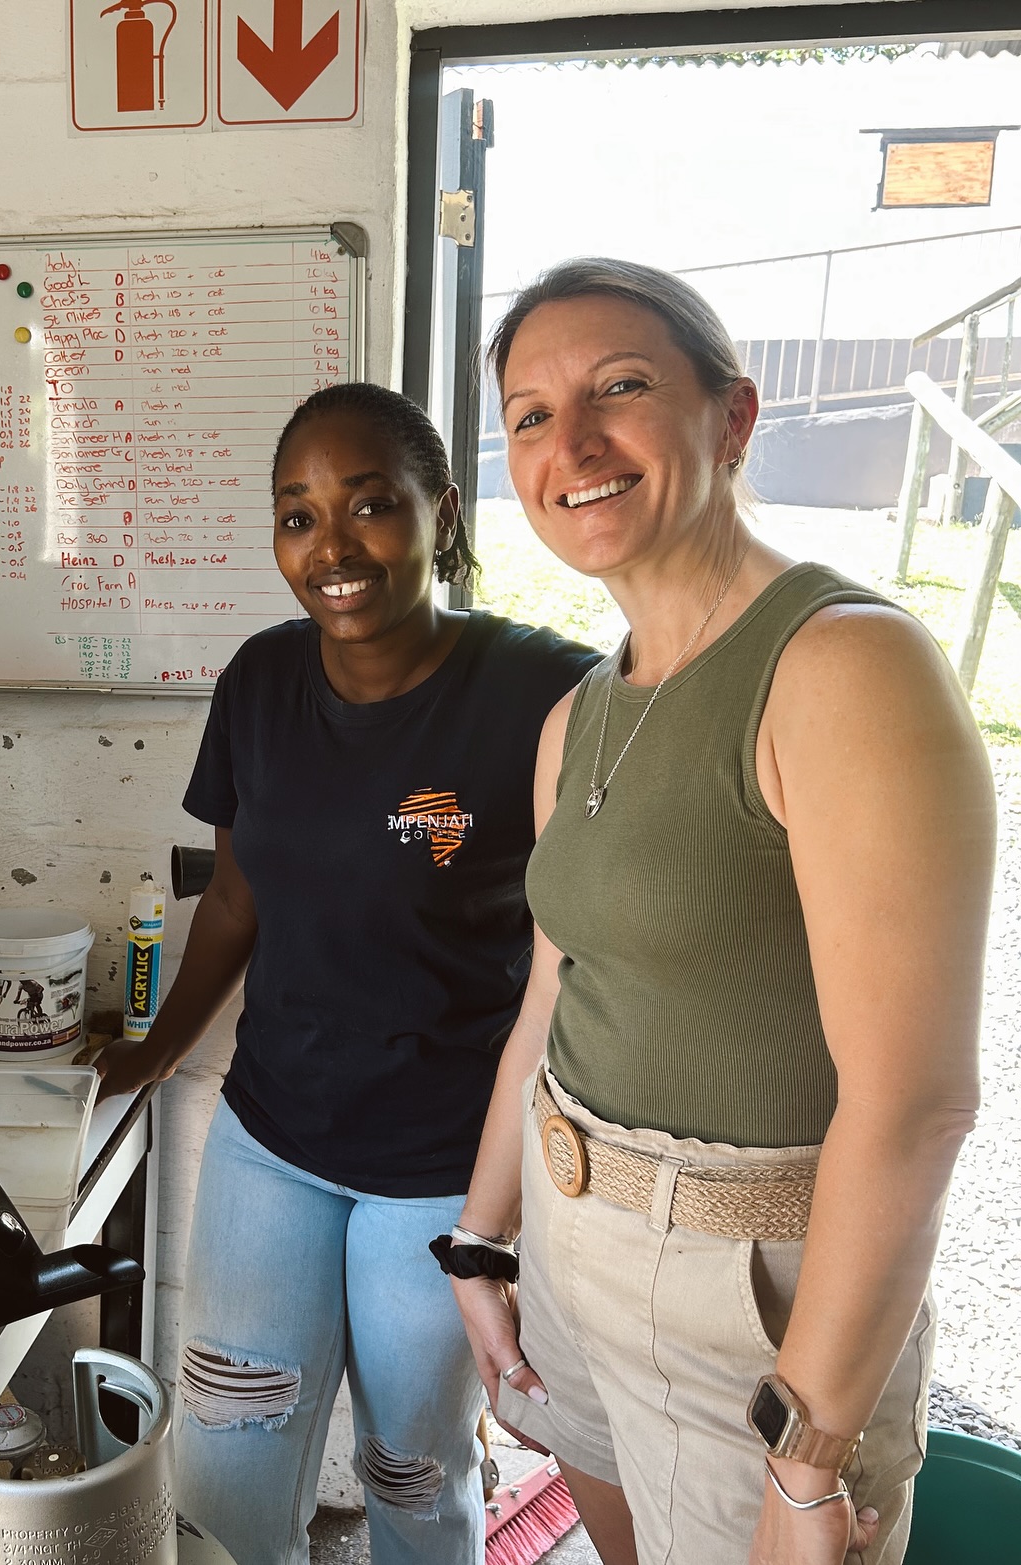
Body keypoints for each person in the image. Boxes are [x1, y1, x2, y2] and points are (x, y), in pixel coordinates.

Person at [450, 257, 996, 1565]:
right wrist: (483, 1239)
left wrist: (809, 1457)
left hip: (748, 1302)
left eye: (618, 389)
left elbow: (915, 1105)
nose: (569, 441)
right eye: (529, 413)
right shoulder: (579, 714)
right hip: (571, 1250)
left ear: (733, 417)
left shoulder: (844, 665)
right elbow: (548, 999)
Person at [97, 381, 597, 1564]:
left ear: (443, 514)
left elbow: (591, 939)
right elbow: (234, 895)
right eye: (298, 515)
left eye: (371, 505)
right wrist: (158, 1049)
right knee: (225, 1448)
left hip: (443, 1169)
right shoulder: (262, 684)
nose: (333, 545)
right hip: (274, 1137)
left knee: (412, 1471)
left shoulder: (544, 693)